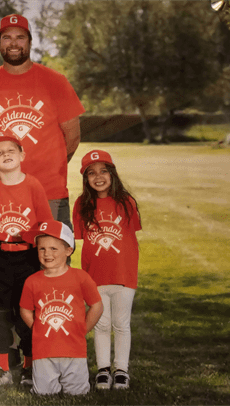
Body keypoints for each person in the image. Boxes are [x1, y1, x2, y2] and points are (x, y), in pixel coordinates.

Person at [0, 13, 85, 231]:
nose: (14, 43)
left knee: (53, 259)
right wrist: (0, 166)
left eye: (20, 37)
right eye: (7, 37)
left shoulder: (55, 81)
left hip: (50, 191)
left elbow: (73, 136)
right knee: (5, 259)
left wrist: (54, 166)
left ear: (29, 41)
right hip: (2, 191)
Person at [0, 132, 52, 386]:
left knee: (27, 311)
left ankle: (31, 366)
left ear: (22, 155)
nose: (6, 155)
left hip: (27, 256)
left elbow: (45, 222)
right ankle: (3, 369)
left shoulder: (32, 184)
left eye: (11, 150)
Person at [72, 149, 142, 390]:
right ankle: (103, 370)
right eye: (91, 173)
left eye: (103, 171)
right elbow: (83, 239)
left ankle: (121, 369)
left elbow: (131, 238)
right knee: (101, 324)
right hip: (95, 276)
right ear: (86, 179)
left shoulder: (126, 202)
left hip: (124, 275)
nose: (98, 177)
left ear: (112, 173)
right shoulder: (82, 204)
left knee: (121, 324)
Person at [19, 220, 103, 396]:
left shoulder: (80, 277)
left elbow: (96, 305)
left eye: (53, 249)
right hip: (44, 349)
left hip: (74, 349)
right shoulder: (32, 281)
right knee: (44, 393)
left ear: (68, 250)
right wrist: (37, 329)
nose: (47, 254)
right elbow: (25, 309)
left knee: (77, 393)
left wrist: (83, 329)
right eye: (42, 249)